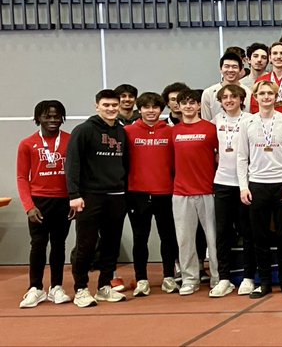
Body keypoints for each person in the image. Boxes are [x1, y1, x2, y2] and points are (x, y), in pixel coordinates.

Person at [237, 80, 282, 298]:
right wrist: (244, 187)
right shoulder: (247, 123)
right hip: (257, 185)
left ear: (276, 97)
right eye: (262, 93)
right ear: (254, 97)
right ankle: (264, 282)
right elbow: (241, 157)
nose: (266, 97)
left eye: (270, 94)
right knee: (259, 237)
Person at [67, 89, 129, 307]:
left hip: (117, 196)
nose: (111, 109)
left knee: (111, 245)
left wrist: (125, 192)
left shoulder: (121, 132)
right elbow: (72, 164)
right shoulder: (84, 130)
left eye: (114, 105)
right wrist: (74, 195)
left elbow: (126, 165)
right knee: (86, 244)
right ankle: (81, 289)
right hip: (90, 196)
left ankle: (104, 286)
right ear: (97, 106)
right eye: (106, 105)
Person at [17, 100, 73, 308]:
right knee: (38, 245)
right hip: (39, 202)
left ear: (62, 118)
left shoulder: (70, 140)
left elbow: (77, 173)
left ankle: (56, 287)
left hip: (64, 200)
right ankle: (35, 288)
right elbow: (22, 177)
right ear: (38, 118)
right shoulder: (27, 143)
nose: (52, 120)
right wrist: (28, 206)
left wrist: (74, 200)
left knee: (59, 244)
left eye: (56, 116)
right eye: (47, 116)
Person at [124, 92, 180, 296]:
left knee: (168, 237)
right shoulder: (128, 132)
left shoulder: (170, 132)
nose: (150, 111)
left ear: (161, 109)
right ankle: (141, 280)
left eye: (155, 107)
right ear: (140, 110)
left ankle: (168, 277)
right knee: (140, 238)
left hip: (166, 193)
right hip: (137, 194)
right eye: (146, 107)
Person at [171, 90, 222, 296]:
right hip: (181, 192)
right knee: (185, 239)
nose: (188, 106)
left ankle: (218, 278)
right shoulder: (172, 132)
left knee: (213, 238)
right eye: (184, 103)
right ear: (179, 107)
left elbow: (221, 159)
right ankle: (189, 279)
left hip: (207, 191)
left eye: (192, 103)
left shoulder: (211, 130)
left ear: (199, 106)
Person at [211, 84, 257, 296]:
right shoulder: (216, 121)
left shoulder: (251, 120)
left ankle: (248, 277)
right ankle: (224, 278)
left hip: (244, 184)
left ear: (241, 99)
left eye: (233, 96)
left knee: (247, 231)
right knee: (223, 233)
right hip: (222, 183)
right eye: (225, 97)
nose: (229, 100)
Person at [202, 52, 251, 121]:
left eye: (234, 67)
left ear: (240, 70)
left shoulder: (248, 92)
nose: (230, 70)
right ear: (221, 69)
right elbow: (206, 122)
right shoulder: (208, 93)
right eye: (227, 66)